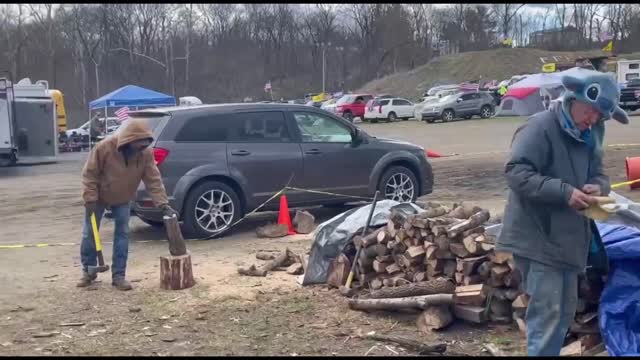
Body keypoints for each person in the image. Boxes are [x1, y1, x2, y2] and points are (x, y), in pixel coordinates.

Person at [496, 69, 629, 356]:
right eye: (591, 111)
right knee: (548, 315)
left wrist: (599, 188)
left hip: (569, 239)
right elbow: (516, 173)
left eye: (600, 116)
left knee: (563, 313)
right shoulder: (541, 127)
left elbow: (601, 174)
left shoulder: (591, 132)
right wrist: (564, 192)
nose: (592, 120)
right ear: (575, 97)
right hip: (538, 235)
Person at [78, 118, 178, 290]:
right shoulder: (104, 148)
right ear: (129, 140)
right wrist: (90, 198)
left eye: (145, 144)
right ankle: (88, 272)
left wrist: (162, 203)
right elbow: (90, 174)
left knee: (122, 235)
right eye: (139, 144)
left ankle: (119, 276)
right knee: (89, 234)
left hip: (123, 197)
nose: (142, 147)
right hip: (98, 198)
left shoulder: (145, 153)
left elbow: (153, 179)